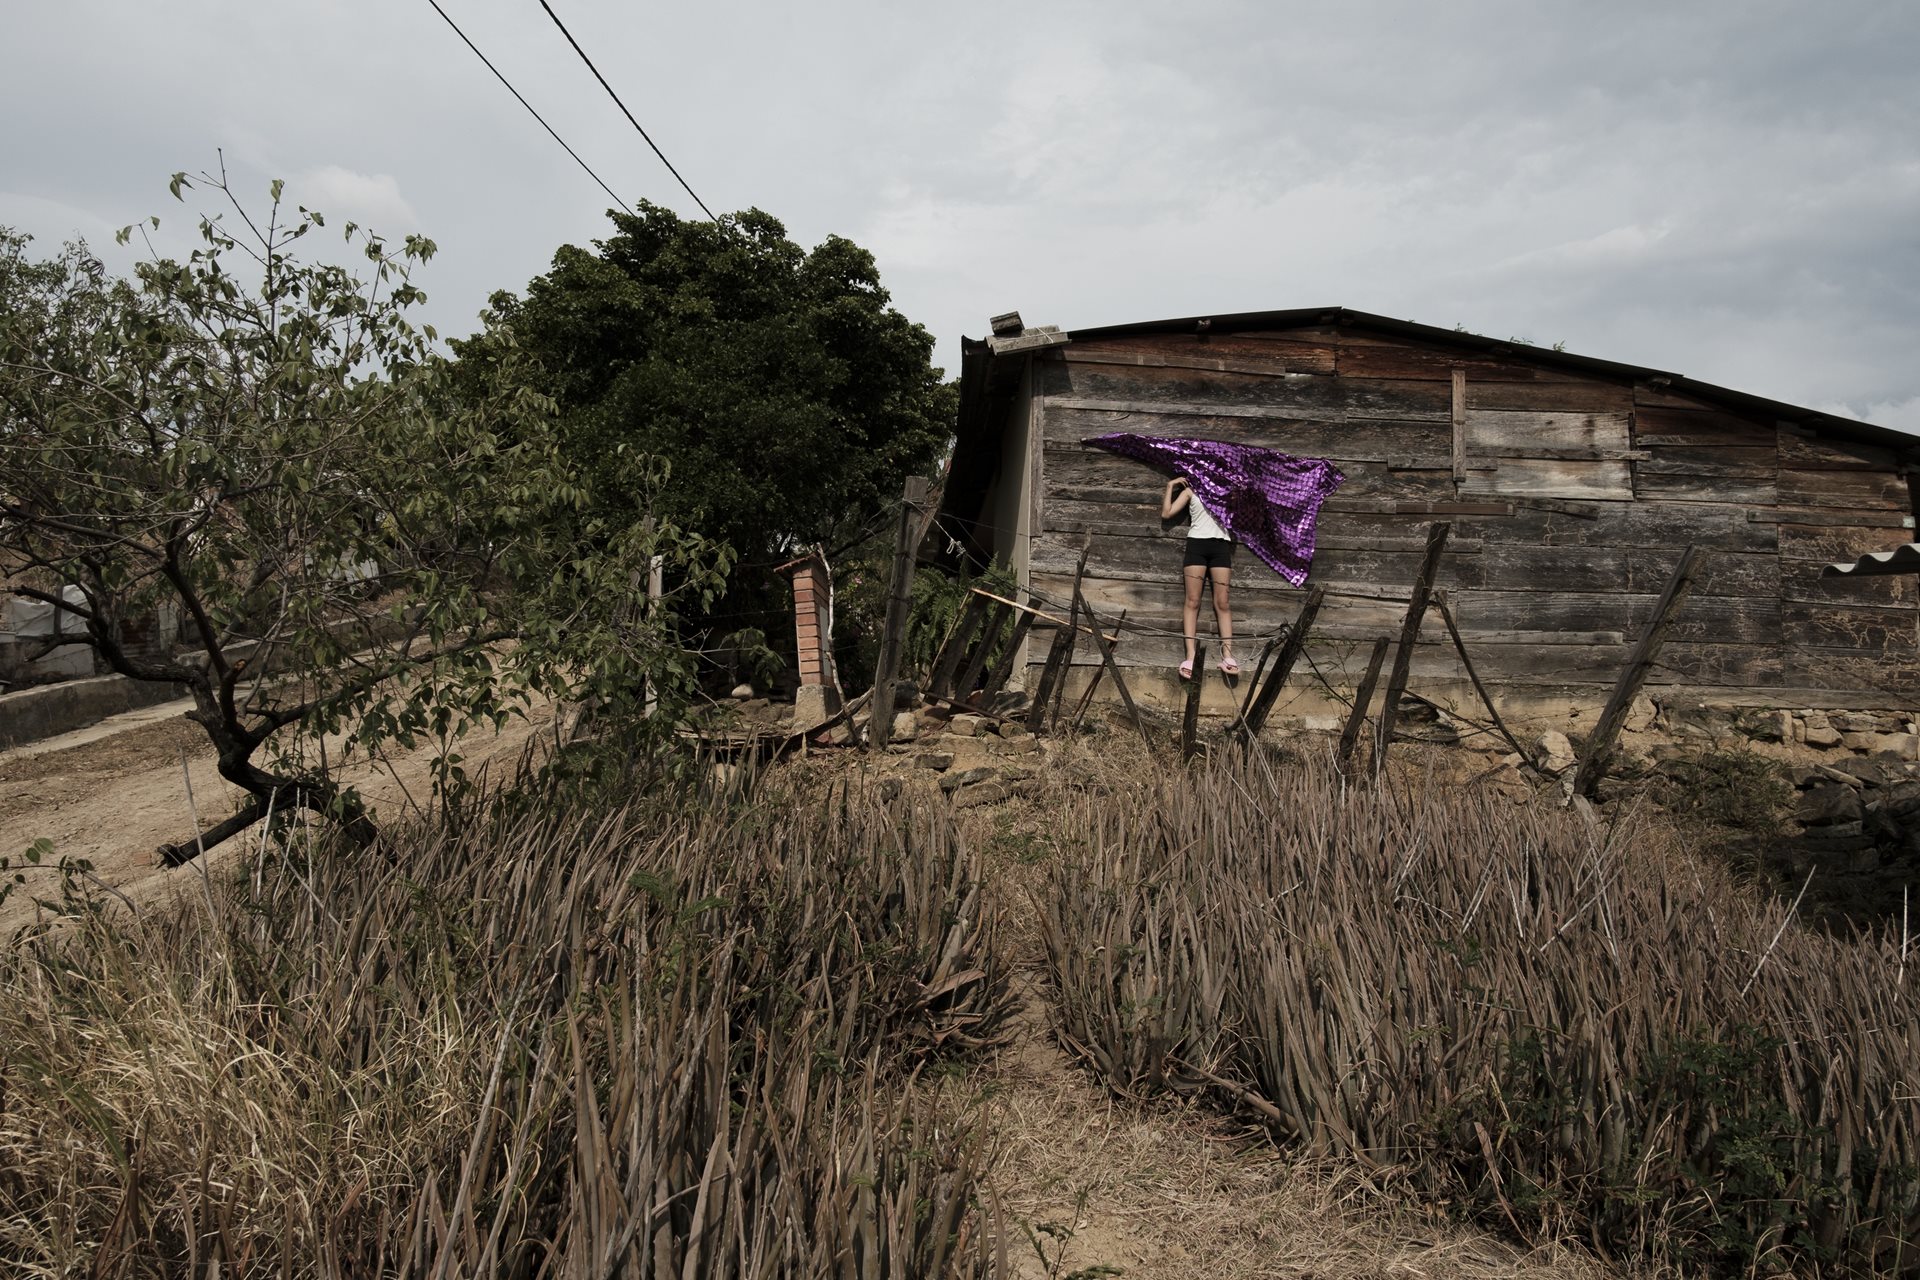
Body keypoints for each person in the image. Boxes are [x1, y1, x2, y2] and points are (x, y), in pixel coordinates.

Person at [1161, 476, 1238, 679]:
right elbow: (1166, 513)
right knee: (1192, 601)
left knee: (1223, 602)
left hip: (1221, 545)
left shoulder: (1228, 492)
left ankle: (1228, 656)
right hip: (1197, 545)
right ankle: (1190, 656)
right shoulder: (1190, 491)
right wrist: (1170, 486)